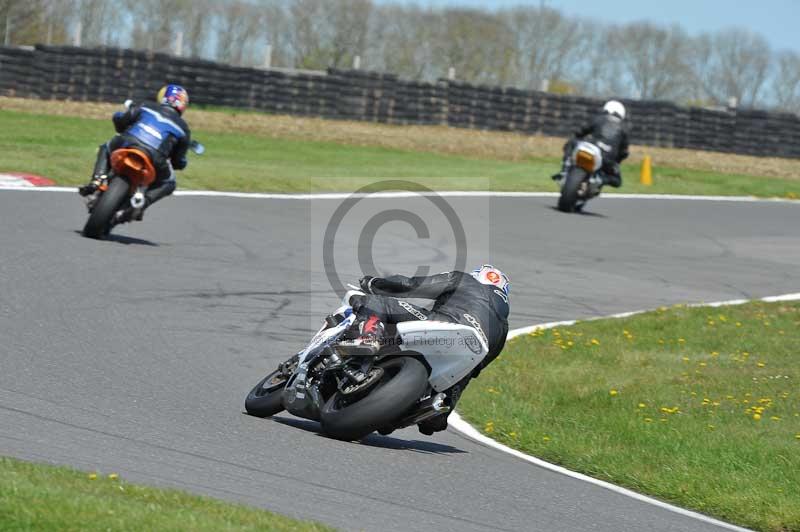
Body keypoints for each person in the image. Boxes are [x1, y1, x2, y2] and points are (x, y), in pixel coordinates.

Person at [342, 265, 511, 435]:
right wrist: (449, 402)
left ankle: (368, 338)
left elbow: (410, 285)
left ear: (478, 276)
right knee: (462, 378)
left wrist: (374, 283)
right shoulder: (503, 329)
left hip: (444, 324)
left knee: (377, 303)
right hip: (463, 357)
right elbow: (472, 371)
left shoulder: (465, 280)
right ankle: (434, 411)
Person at [78, 84, 191, 223]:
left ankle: (97, 180)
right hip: (155, 157)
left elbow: (121, 119)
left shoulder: (146, 106)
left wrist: (119, 118)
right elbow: (178, 161)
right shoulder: (183, 128)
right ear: (183, 105)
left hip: (128, 142)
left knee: (106, 147)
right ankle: (143, 203)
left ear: (163, 98)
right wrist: (181, 163)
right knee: (170, 183)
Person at [551, 100, 630, 188]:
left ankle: (564, 169)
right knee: (617, 181)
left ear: (606, 109)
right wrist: (616, 161)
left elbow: (580, 132)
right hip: (607, 158)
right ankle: (601, 180)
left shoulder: (598, 119)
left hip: (591, 148)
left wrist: (578, 138)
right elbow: (624, 152)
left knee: (571, 142)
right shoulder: (624, 128)